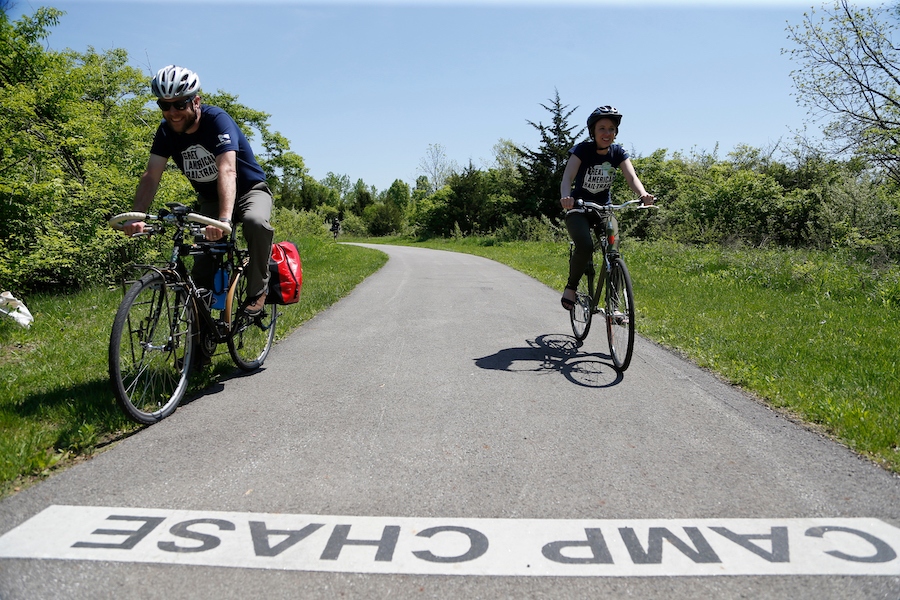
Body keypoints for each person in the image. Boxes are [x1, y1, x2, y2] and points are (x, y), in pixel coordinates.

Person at [123, 65, 274, 316]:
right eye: (164, 105)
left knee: (255, 222)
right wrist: (137, 216)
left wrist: (224, 220)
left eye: (180, 104)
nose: (172, 113)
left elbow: (227, 171)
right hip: (212, 198)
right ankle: (200, 349)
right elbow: (151, 175)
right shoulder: (165, 132)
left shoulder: (217, 120)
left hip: (249, 190)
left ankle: (258, 290)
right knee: (201, 268)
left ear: (196, 102)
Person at [559, 105, 655, 310]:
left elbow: (631, 177)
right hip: (579, 207)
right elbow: (567, 177)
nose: (607, 133)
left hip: (604, 208)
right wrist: (566, 197)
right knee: (584, 245)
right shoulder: (582, 150)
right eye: (602, 128)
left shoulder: (618, 152)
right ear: (593, 131)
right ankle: (571, 287)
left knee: (613, 251)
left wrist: (643, 194)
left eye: (611, 129)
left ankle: (614, 305)